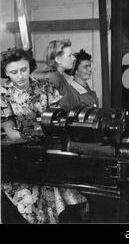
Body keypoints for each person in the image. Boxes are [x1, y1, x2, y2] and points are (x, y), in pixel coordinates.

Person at [1, 47, 89, 223]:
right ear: (5, 72)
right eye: (13, 72)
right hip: (22, 159)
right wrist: (39, 133)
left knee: (75, 196)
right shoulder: (3, 94)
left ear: (30, 67)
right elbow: (11, 132)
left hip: (50, 151)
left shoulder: (45, 86)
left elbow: (58, 116)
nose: (20, 76)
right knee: (47, 197)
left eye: (24, 69)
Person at [34, 39, 81, 111]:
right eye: (69, 55)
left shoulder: (61, 77)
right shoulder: (52, 79)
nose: (74, 58)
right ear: (58, 60)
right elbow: (46, 112)